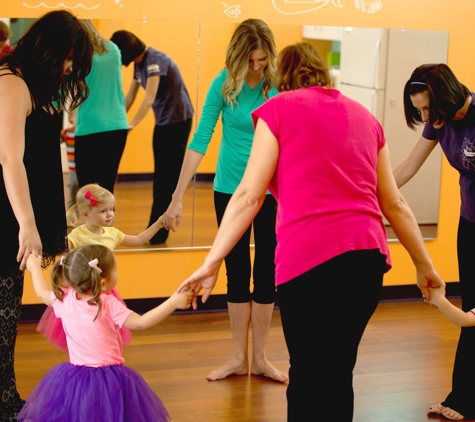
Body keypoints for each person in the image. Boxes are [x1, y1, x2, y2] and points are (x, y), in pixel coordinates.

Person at [177, 43, 444, 421]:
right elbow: (395, 204)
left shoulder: (277, 109)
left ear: (281, 79)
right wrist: (424, 264)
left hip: (308, 264)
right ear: (323, 73)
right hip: (365, 263)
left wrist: (211, 260)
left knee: (307, 372)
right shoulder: (366, 117)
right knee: (337, 372)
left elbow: (250, 194)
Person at [163, 18, 286, 382]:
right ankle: (237, 358)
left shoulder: (276, 86)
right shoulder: (224, 84)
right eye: (252, 60)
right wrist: (177, 196)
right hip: (229, 190)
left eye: (263, 60)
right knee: (235, 270)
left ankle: (260, 358)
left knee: (266, 269)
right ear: (238, 56)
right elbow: (200, 138)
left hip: (270, 191)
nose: (258, 67)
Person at [0, 10, 93, 420]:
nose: (70, 66)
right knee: (3, 318)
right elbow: (9, 158)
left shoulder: (36, 85)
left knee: (7, 318)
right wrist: (27, 223)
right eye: (68, 56)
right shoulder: (12, 82)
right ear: (48, 47)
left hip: (20, 210)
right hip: (9, 212)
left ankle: (5, 398)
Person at [20, 244, 192, 421]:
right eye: (115, 270)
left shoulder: (64, 297)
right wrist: (173, 302)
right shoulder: (108, 304)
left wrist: (34, 269)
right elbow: (141, 322)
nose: (117, 274)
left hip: (75, 380)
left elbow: (41, 293)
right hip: (108, 380)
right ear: (103, 282)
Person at [394, 63, 475, 421]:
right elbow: (408, 166)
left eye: (428, 108)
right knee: (472, 308)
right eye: (419, 111)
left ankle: (463, 399)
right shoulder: (439, 122)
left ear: (446, 96)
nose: (426, 117)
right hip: (469, 221)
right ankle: (463, 397)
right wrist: (368, 195)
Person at [37, 183, 167, 350]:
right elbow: (61, 250)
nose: (109, 215)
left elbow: (138, 240)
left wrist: (158, 224)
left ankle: (101, 350)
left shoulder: (112, 234)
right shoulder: (76, 235)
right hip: (82, 289)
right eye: (103, 211)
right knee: (84, 326)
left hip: (104, 288)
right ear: (85, 214)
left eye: (111, 209)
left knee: (103, 326)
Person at [110, 29, 194, 244]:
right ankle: (154, 229)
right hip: (163, 122)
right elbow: (130, 97)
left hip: (177, 121)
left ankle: (160, 231)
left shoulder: (156, 59)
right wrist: (117, 119)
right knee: (161, 177)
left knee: (167, 177)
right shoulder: (139, 65)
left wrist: (131, 124)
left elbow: (149, 98)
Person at [73, 20, 129, 194]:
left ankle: (91, 222)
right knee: (107, 188)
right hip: (117, 125)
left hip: (90, 126)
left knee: (87, 190)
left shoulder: (80, 53)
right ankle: (105, 222)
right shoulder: (113, 49)